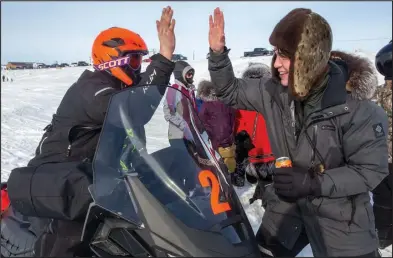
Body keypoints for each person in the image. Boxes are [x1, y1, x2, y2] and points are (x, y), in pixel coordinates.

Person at [207, 7, 389, 257]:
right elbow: (229, 91)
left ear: (309, 58)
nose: (276, 63)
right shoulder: (274, 92)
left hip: (341, 221)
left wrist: (314, 183)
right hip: (286, 209)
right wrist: (218, 54)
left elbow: (369, 170)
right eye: (275, 54)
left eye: (285, 55)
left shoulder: (358, 109)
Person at [5, 6, 177, 257]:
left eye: (141, 59)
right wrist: (165, 56)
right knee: (72, 237)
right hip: (58, 178)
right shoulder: (93, 88)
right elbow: (134, 110)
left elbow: (140, 94)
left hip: (91, 175)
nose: (139, 67)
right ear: (113, 59)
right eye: (135, 60)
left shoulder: (117, 87)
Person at [233, 63, 275, 187]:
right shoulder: (274, 101)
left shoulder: (240, 103)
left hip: (253, 155)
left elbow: (237, 127)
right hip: (269, 155)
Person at [372, 40, 392, 249]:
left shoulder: (374, 94)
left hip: (378, 159)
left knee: (382, 200)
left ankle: (384, 236)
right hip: (380, 159)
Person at [197, 79, 236, 174]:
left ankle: (221, 174)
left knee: (217, 158)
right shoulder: (225, 102)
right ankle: (232, 173)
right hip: (228, 134)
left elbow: (201, 120)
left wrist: (206, 130)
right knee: (229, 155)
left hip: (214, 136)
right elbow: (233, 115)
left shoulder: (206, 105)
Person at [163, 60, 196, 150]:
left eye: (192, 74)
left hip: (190, 135)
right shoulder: (174, 90)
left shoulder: (190, 90)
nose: (191, 77)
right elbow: (168, 113)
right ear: (181, 75)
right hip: (178, 136)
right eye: (188, 74)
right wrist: (183, 125)